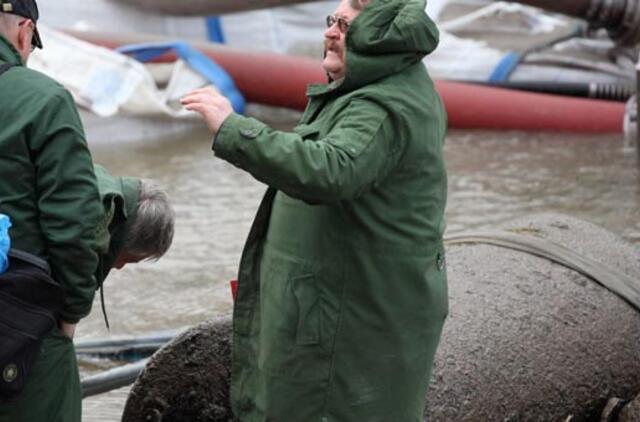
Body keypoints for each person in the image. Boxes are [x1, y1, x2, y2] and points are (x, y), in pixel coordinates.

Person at [181, 0, 449, 420]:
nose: (329, 32)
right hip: (334, 312)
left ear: (378, 39)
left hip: (350, 326)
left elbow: (332, 169)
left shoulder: (380, 106)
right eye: (331, 21)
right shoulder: (365, 88)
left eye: (344, 26)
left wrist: (235, 129)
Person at [0, 0, 103, 420]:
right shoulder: (43, 100)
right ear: (25, 32)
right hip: (23, 328)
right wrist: (70, 313)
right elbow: (75, 223)